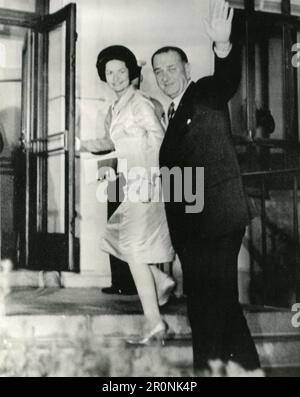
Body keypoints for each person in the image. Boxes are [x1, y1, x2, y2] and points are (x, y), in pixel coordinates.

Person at [151, 0, 260, 371]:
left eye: (171, 68)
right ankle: (247, 368)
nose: (165, 76)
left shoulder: (203, 95)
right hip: (196, 229)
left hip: (214, 222)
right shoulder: (172, 115)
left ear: (187, 69)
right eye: (158, 71)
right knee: (219, 303)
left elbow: (227, 80)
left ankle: (207, 371)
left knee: (208, 306)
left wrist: (223, 47)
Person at [80, 45, 176, 342]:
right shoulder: (120, 104)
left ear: (131, 72)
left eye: (122, 71)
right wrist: (83, 145)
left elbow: (163, 142)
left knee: (130, 248)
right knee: (117, 241)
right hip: (130, 182)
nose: (116, 77)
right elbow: (115, 143)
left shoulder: (140, 103)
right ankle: (159, 282)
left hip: (146, 183)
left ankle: (156, 319)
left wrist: (156, 179)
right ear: (104, 76)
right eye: (110, 72)